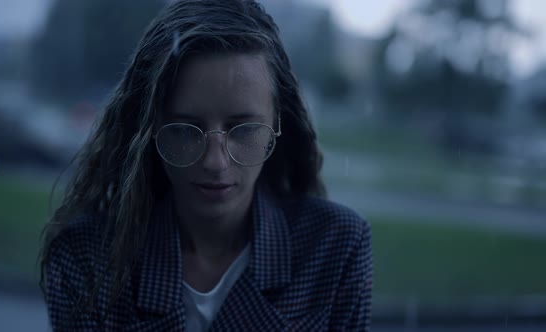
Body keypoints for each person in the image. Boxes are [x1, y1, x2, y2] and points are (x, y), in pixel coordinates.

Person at [39, 0, 373, 330]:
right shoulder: (87, 257)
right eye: (186, 129)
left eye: (243, 129)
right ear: (149, 129)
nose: (215, 161)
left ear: (277, 123)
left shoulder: (334, 247)